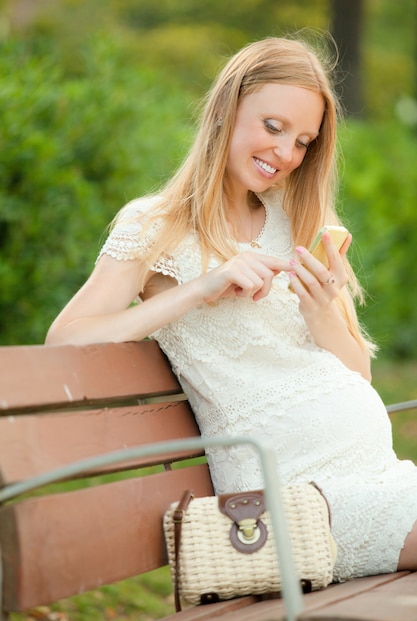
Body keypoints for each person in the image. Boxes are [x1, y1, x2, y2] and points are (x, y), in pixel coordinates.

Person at [45, 35, 417, 581]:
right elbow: (66, 340)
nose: (287, 154)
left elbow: (358, 375)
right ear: (227, 109)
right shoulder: (157, 225)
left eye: (303, 141)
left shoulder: (296, 223)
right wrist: (197, 289)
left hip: (376, 476)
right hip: (290, 501)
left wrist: (320, 311)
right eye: (273, 127)